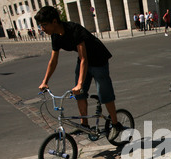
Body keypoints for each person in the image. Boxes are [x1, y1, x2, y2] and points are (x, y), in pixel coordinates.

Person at [34, 6, 122, 139]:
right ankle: (84, 126)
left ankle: (115, 124)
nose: (42, 29)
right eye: (40, 26)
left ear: (54, 22)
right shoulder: (55, 36)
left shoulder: (74, 30)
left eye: (44, 25)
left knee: (104, 93)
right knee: (79, 95)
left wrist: (80, 83)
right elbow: (53, 61)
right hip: (83, 61)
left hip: (98, 59)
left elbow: (83, 58)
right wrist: (45, 81)